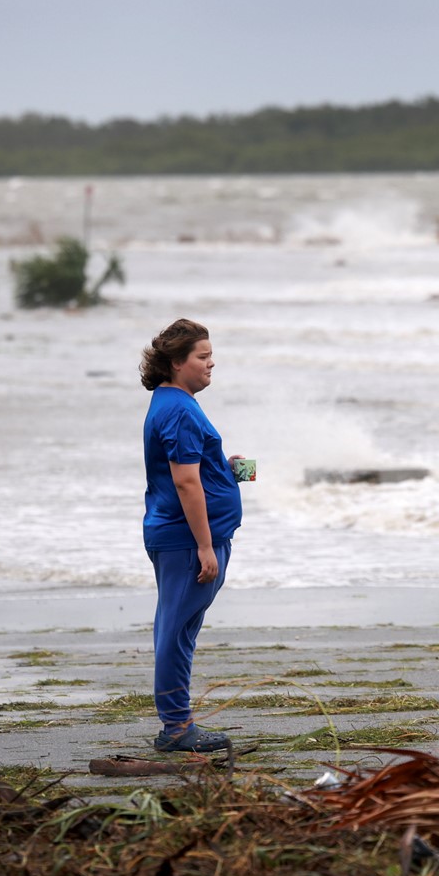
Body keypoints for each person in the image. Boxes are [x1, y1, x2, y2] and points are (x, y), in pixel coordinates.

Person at [141, 318, 243, 753]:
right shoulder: (179, 409)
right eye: (202, 357)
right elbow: (185, 483)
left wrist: (227, 467)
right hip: (186, 540)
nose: (211, 363)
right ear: (177, 362)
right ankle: (178, 727)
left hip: (181, 535)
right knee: (177, 632)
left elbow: (193, 469)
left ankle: (177, 723)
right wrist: (205, 546)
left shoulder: (172, 403)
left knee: (177, 628)